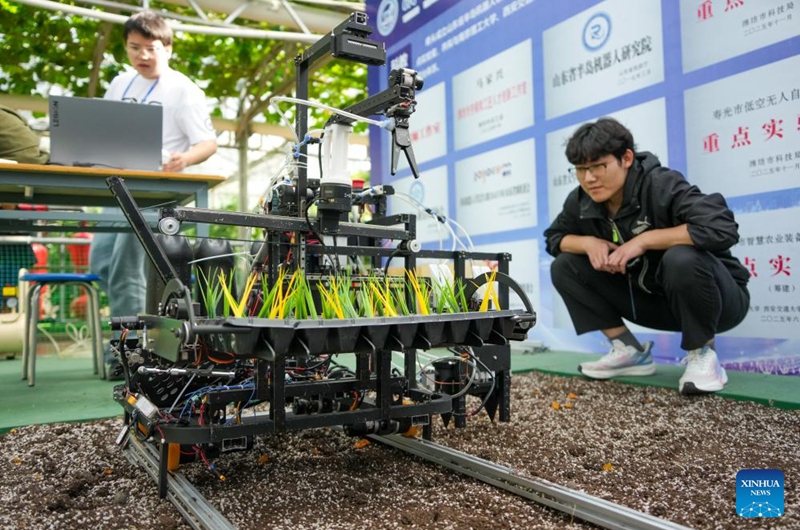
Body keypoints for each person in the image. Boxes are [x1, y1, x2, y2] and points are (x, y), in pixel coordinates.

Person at [544, 117, 749, 395]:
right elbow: (555, 238)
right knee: (565, 265)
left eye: (598, 167)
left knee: (681, 257)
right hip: (648, 302)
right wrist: (588, 242)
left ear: (626, 158)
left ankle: (703, 355)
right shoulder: (581, 200)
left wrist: (645, 240)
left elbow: (721, 227)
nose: (589, 178)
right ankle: (629, 350)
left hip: (719, 302)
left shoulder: (661, 184)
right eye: (580, 169)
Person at [89, 10, 217, 379]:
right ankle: (134, 340)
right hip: (117, 185)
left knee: (126, 269)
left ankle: (128, 352)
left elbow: (207, 144)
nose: (143, 55)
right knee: (101, 263)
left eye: (151, 48)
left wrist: (183, 160)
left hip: (157, 192)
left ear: (168, 48)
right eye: (134, 48)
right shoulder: (119, 83)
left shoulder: (184, 89)